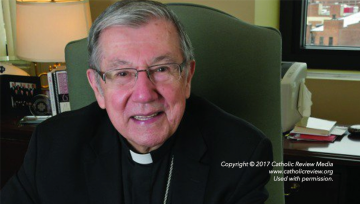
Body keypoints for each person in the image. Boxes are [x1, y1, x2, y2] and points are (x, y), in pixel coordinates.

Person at [1, 1, 273, 203]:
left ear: (187, 77)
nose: (144, 94)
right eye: (122, 73)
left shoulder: (242, 154)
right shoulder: (54, 143)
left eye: (162, 69)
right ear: (97, 86)